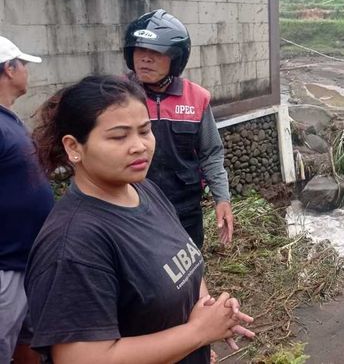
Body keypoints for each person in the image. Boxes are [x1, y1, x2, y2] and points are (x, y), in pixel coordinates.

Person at [26, 75, 254, 364]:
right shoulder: (74, 245)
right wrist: (197, 333)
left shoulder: (144, 190)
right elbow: (83, 359)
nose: (139, 146)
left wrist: (208, 313)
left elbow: (184, 270)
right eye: (119, 136)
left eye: (145, 131)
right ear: (74, 147)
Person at [123, 10, 233, 249]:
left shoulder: (196, 98)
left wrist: (222, 199)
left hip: (184, 209)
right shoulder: (115, 96)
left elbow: (211, 153)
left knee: (188, 272)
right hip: (132, 209)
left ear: (176, 58)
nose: (145, 59)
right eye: (139, 51)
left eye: (155, 52)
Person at [0, 36, 53, 364]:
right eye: (23, 65)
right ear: (9, 69)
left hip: (26, 262)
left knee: (28, 341)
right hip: (6, 268)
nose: (27, 72)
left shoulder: (9, 120)